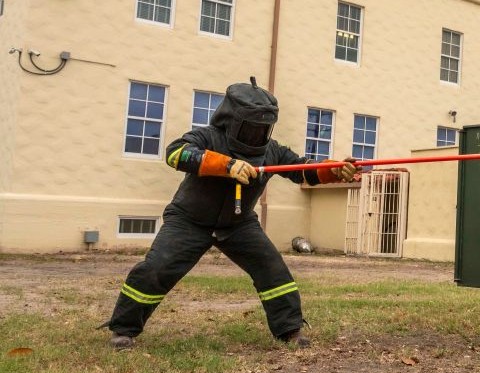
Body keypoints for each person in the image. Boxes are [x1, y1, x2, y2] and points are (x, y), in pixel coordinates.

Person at [102, 79, 357, 350]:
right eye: (251, 126)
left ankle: (289, 330)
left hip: (239, 225)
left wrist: (334, 169)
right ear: (233, 119)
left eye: (263, 127)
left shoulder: (271, 151)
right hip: (189, 220)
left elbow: (302, 169)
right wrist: (226, 164)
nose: (257, 132)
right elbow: (176, 153)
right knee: (156, 269)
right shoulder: (207, 137)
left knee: (272, 270)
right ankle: (123, 329)